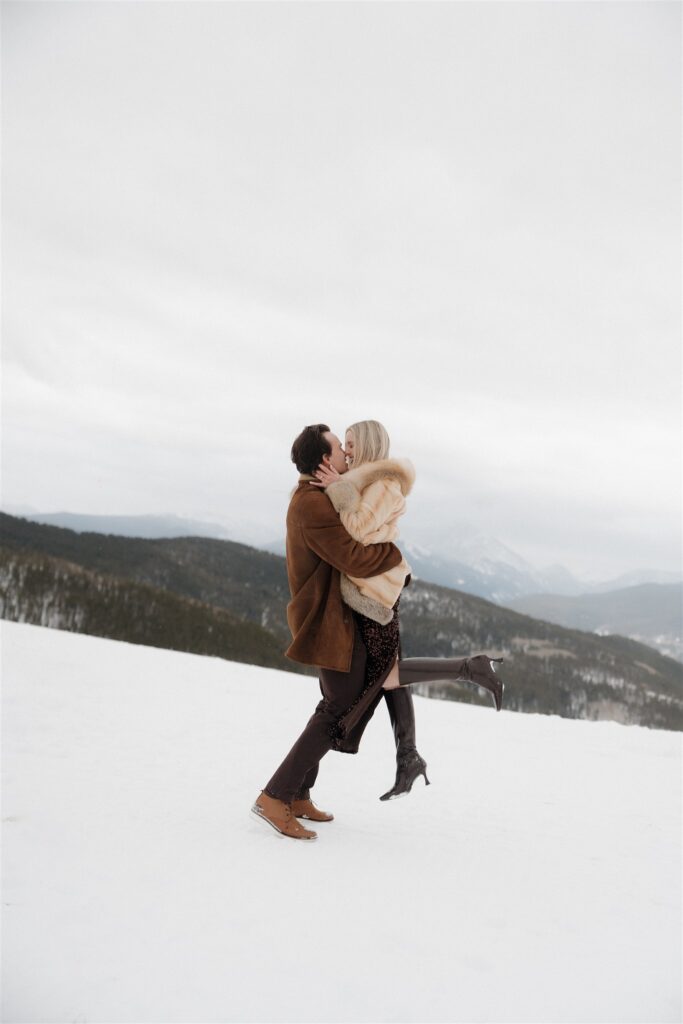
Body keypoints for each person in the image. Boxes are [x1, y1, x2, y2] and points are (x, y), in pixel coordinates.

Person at [312, 420, 505, 799]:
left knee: (389, 677)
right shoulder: (368, 482)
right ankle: (408, 757)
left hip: (376, 595)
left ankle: (472, 668)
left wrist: (338, 489)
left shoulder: (383, 485)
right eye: (344, 444)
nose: (346, 451)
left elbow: (359, 531)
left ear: (366, 445)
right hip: (375, 591)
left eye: (350, 444)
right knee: (391, 677)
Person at [251, 423, 404, 841]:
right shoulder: (312, 505)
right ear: (324, 460)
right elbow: (353, 557)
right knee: (337, 707)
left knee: (333, 703)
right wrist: (393, 554)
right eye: (339, 447)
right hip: (325, 619)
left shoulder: (315, 498)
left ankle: (298, 793)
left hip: (334, 618)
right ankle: (275, 796)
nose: (345, 454)